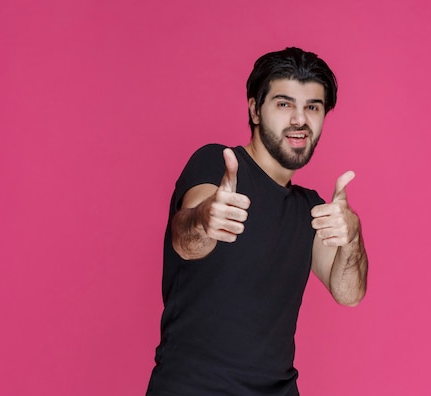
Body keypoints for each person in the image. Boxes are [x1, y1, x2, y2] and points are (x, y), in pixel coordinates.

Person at [146, 47, 368, 396]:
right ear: (254, 109)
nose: (300, 119)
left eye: (312, 107)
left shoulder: (309, 209)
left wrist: (352, 237)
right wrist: (206, 219)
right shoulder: (216, 165)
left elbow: (349, 293)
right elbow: (186, 240)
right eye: (284, 104)